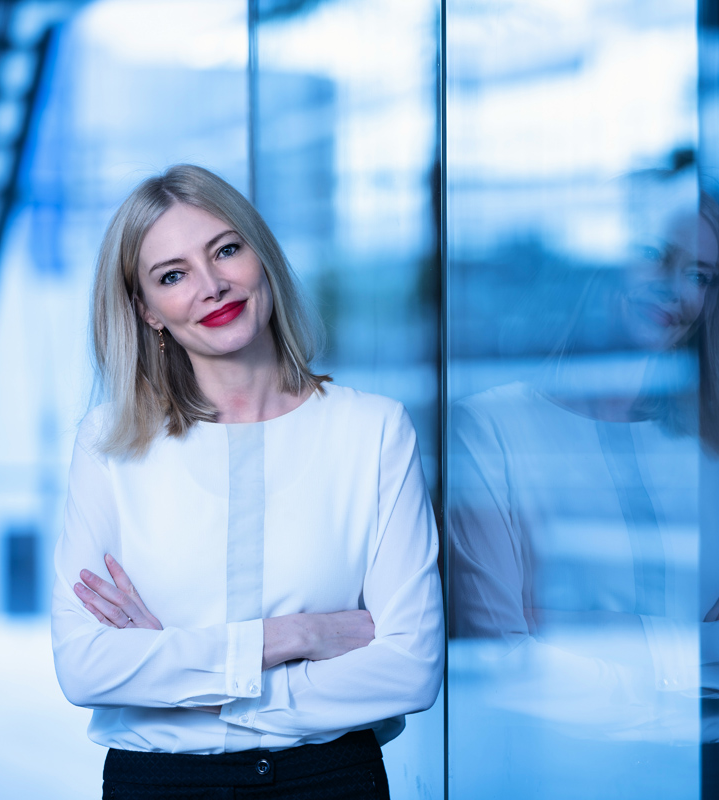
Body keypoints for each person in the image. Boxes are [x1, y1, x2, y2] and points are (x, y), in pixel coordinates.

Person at [51, 164, 444, 799]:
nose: (212, 286)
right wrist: (298, 637)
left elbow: (410, 670)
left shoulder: (373, 430)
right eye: (172, 275)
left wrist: (184, 677)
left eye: (226, 249)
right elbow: (85, 667)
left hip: (329, 782)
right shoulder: (109, 444)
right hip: (160, 787)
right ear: (147, 311)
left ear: (261, 256)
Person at [447, 169, 719, 751]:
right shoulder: (489, 429)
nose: (677, 291)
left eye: (701, 277)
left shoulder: (718, 447)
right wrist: (713, 642)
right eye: (654, 257)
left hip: (702, 774)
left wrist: (605, 643)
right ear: (601, 261)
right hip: (550, 774)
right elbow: (503, 660)